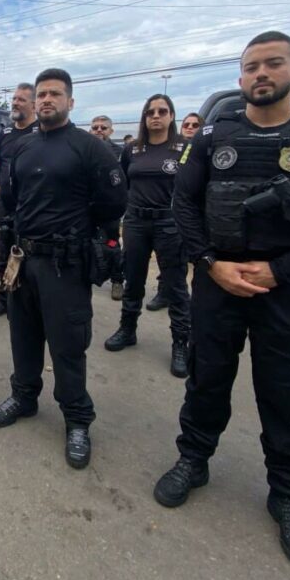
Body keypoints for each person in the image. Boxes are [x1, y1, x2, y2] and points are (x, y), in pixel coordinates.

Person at [153, 32, 290, 572]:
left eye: (273, 64)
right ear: (240, 76)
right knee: (206, 378)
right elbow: (183, 204)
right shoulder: (210, 139)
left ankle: (288, 496)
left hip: (287, 290)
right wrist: (210, 264)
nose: (260, 74)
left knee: (287, 393)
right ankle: (193, 460)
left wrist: (281, 269)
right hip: (218, 284)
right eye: (251, 67)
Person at [0, 68, 128, 470]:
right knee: (23, 335)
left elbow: (114, 202)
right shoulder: (22, 148)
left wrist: (78, 229)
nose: (47, 99)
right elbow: (11, 200)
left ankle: (77, 420)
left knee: (67, 345)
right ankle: (24, 397)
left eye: (55, 94)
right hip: (24, 259)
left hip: (65, 264)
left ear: (70, 101)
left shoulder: (89, 147)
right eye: (42, 94)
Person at [103, 94, 192, 378]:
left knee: (176, 286)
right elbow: (122, 184)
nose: (156, 116)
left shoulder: (185, 148)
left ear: (171, 115)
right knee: (134, 281)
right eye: (150, 112)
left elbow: (193, 188)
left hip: (169, 223)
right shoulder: (133, 149)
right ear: (144, 117)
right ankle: (128, 329)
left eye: (162, 111)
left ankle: (180, 344)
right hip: (136, 223)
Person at [0, 83, 38, 319]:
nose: (15, 103)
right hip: (7, 205)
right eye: (14, 99)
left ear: (34, 105)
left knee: (30, 256)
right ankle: (4, 298)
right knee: (4, 252)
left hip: (32, 207)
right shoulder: (6, 132)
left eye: (21, 100)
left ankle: (26, 302)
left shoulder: (41, 131)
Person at [146, 112, 204, 312]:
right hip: (170, 216)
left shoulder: (203, 150)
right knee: (169, 261)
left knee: (193, 262)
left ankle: (193, 301)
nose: (190, 127)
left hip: (195, 216)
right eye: (186, 124)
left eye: (195, 125)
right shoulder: (173, 150)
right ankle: (164, 292)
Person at [89, 115, 126, 300]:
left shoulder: (119, 152)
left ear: (111, 131)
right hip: (88, 209)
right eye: (95, 127)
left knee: (112, 245)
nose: (99, 130)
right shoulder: (84, 151)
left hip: (110, 209)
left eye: (103, 127)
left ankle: (117, 280)